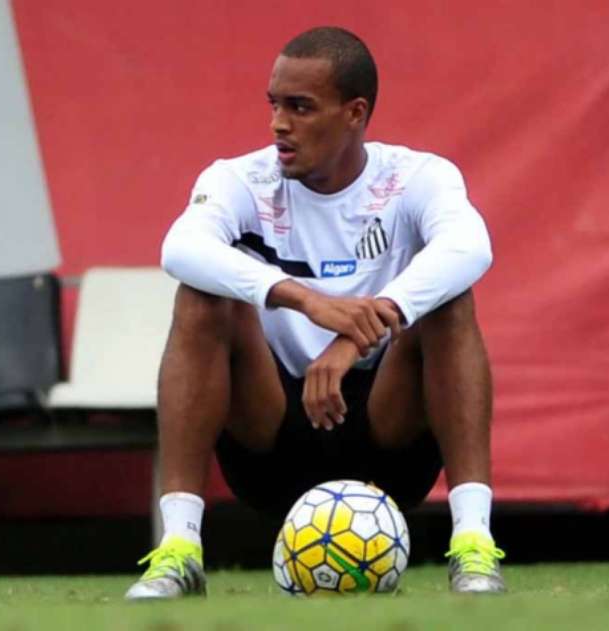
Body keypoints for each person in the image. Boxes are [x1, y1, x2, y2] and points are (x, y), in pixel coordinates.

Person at [125, 26, 505, 599]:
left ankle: (474, 546)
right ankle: (179, 551)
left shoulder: (417, 177)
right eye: (275, 104)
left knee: (450, 299)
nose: (279, 123)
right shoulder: (238, 180)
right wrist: (305, 299)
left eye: (301, 108)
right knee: (200, 292)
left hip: (388, 435)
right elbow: (180, 247)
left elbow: (471, 246)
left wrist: (355, 336)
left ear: (356, 113)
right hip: (270, 435)